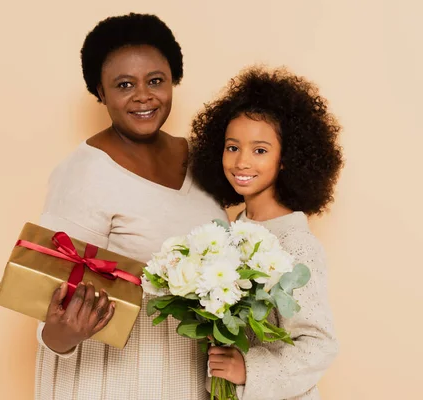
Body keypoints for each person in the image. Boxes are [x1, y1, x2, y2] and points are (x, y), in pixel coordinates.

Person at [34, 13, 227, 400]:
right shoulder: (83, 174)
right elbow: (47, 296)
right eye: (124, 85)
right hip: (115, 379)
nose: (143, 96)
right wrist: (60, 334)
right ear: (100, 93)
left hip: (194, 375)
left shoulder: (204, 159)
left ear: (174, 80)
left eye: (155, 81)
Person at [190, 66, 343, 399]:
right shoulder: (224, 236)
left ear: (286, 158)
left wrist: (248, 367)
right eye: (232, 147)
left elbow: (320, 344)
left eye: (260, 150)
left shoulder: (298, 247)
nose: (242, 161)